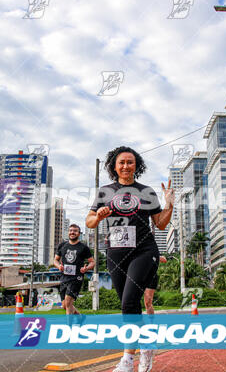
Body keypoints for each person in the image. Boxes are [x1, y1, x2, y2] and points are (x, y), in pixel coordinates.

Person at [86, 146, 174, 372]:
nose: (126, 166)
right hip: (115, 252)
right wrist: (98, 215)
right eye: (122, 162)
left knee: (128, 302)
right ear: (114, 166)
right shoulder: (105, 191)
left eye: (130, 162)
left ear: (137, 165)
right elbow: (89, 222)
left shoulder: (146, 191)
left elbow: (161, 223)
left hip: (144, 250)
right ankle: (146, 344)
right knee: (129, 305)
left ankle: (127, 359)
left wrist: (170, 204)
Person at [54, 224, 95, 315]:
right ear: (68, 232)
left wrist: (86, 268)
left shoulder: (83, 247)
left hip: (77, 278)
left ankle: (69, 328)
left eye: (75, 231)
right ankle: (80, 317)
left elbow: (92, 262)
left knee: (68, 302)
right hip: (64, 277)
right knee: (65, 305)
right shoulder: (62, 245)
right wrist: (59, 266)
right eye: (71, 230)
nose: (72, 232)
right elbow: (55, 260)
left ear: (79, 233)